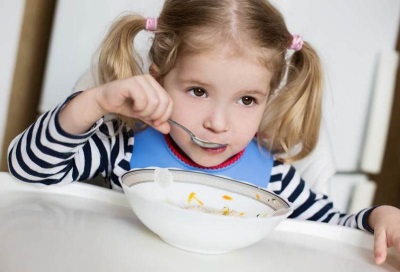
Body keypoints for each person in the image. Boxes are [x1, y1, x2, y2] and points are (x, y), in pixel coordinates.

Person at [7, 0, 400, 265]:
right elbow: (30, 169)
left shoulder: (272, 179)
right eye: (198, 91)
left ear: (268, 99)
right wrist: (91, 103)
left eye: (247, 100)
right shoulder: (124, 146)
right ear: (157, 80)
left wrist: (378, 216)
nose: (218, 122)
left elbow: (330, 228)